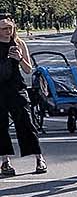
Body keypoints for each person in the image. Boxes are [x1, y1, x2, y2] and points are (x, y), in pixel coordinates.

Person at [0, 17, 46, 176]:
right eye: (4, 28)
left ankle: (39, 157)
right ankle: (5, 161)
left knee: (26, 122)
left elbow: (28, 70)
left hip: (16, 87)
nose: (8, 31)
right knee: (1, 126)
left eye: (10, 28)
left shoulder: (19, 43)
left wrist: (19, 59)